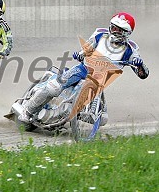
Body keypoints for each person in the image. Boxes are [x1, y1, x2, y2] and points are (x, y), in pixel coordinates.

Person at [18, 12, 149, 123]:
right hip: (83, 69)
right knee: (54, 87)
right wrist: (80, 54)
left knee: (102, 119)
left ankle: (75, 113)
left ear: (127, 33)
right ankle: (27, 111)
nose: (115, 31)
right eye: (114, 27)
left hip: (101, 79)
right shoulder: (100, 34)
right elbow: (88, 47)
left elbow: (143, 74)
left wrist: (139, 64)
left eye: (119, 30)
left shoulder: (131, 49)